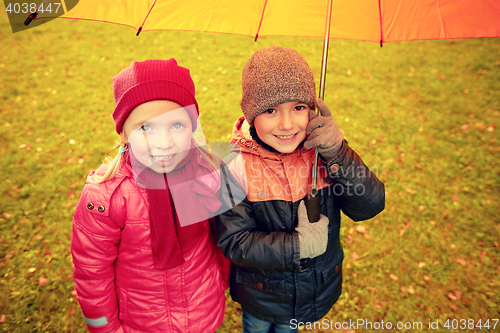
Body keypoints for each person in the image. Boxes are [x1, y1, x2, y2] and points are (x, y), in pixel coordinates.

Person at [215, 46, 385, 333]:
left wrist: (338, 153)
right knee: (256, 327)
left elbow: (370, 205)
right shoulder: (234, 167)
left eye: (298, 108)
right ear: (250, 114)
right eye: (270, 110)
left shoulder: (326, 156)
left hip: (311, 290)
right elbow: (234, 241)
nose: (287, 124)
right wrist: (297, 246)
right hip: (260, 294)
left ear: (312, 109)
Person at [71, 59, 229, 333]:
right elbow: (92, 272)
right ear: (123, 134)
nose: (164, 142)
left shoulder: (206, 171)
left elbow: (224, 236)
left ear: (192, 128)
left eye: (177, 126)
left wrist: (225, 281)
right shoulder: (108, 196)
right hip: (142, 322)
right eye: (145, 128)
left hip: (203, 309)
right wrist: (105, 328)